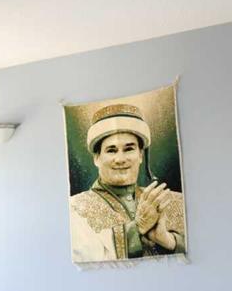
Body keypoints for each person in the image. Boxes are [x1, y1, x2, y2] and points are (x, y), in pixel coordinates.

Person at [69, 103, 186, 263]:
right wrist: (137, 229)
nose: (120, 159)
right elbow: (85, 260)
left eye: (129, 149)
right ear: (96, 158)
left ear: (140, 155)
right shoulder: (74, 209)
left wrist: (169, 241)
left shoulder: (173, 201)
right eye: (111, 150)